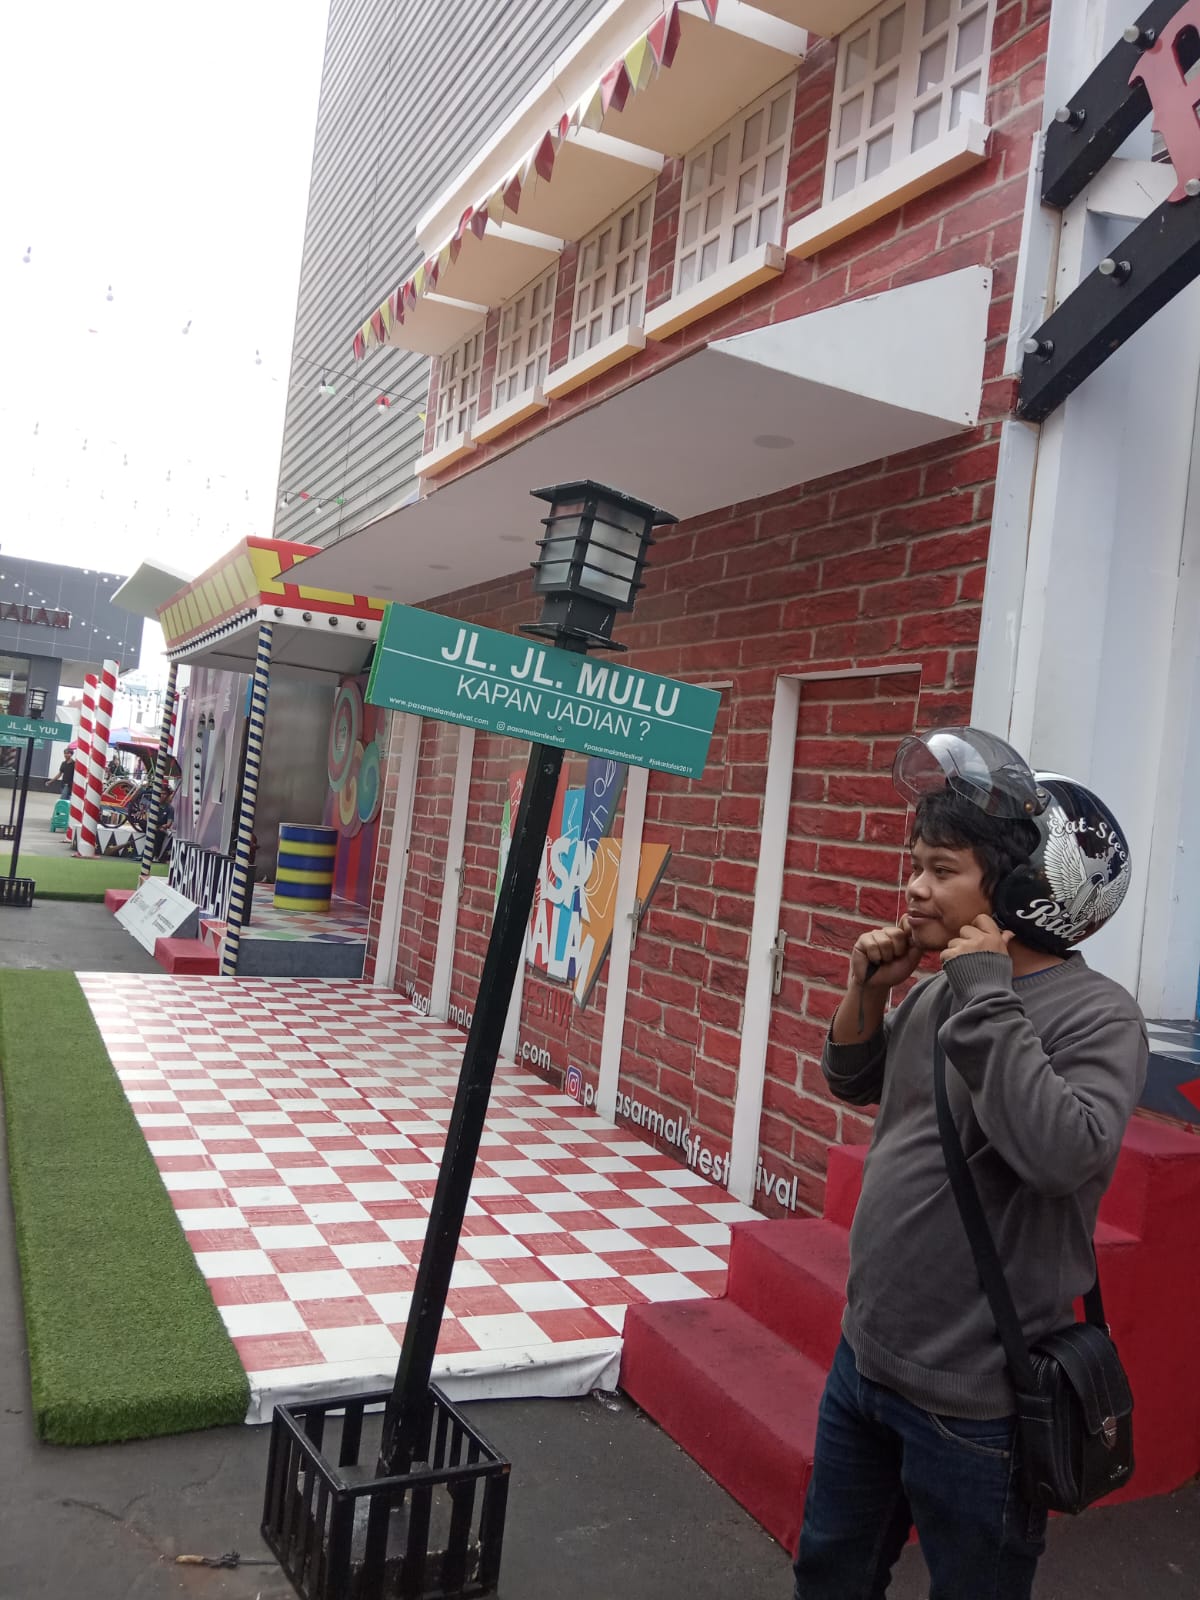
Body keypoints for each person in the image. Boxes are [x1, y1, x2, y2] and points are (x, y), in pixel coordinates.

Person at [793, 727, 1148, 1600]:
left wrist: (988, 996)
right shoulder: (942, 988)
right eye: (916, 865)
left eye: (942, 869)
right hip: (865, 1360)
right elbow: (858, 1081)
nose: (914, 887)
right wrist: (867, 991)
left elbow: (1062, 1155)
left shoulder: (1096, 1016)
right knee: (831, 1573)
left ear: (1025, 890)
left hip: (976, 1402)